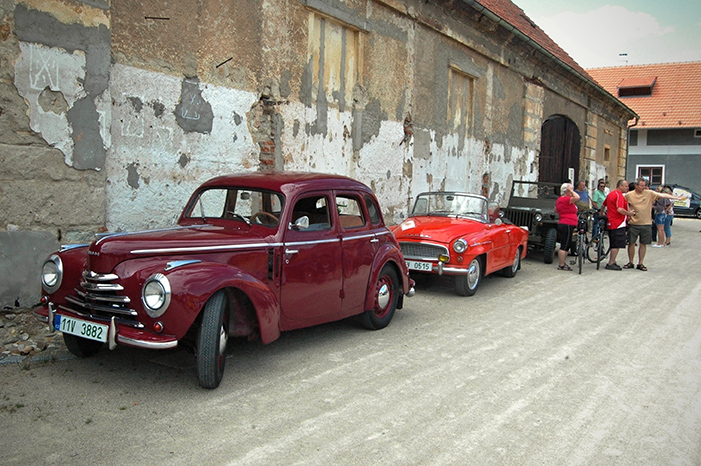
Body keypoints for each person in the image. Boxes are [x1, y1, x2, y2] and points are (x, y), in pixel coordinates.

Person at [623, 177, 684, 271]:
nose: (644, 187)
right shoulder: (629, 195)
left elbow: (662, 195)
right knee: (631, 243)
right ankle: (630, 262)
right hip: (633, 223)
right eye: (641, 186)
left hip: (646, 223)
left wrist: (675, 198)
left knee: (643, 244)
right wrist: (627, 213)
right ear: (636, 186)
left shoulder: (649, 193)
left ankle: (640, 263)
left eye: (644, 185)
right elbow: (622, 203)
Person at [602, 180, 634, 270]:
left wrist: (602, 213)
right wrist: (629, 213)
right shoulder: (618, 195)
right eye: (626, 186)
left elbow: (603, 205)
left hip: (610, 221)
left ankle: (612, 261)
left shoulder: (610, 194)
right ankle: (611, 262)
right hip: (618, 222)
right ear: (620, 186)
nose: (627, 188)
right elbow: (619, 209)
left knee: (613, 242)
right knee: (616, 244)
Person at [555, 182, 579, 271]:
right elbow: (577, 197)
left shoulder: (559, 200)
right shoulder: (565, 199)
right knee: (565, 244)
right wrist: (571, 191)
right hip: (567, 223)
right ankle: (561, 264)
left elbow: (556, 210)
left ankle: (562, 263)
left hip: (564, 222)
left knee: (566, 243)